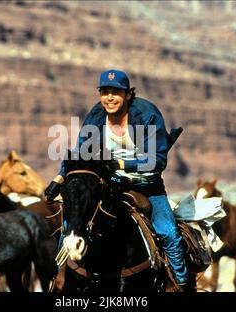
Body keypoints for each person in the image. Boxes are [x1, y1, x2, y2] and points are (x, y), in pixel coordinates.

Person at [45, 69, 188, 288]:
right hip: (110, 184)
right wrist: (59, 178)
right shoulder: (96, 115)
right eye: (105, 92)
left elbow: (158, 160)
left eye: (116, 92)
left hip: (147, 186)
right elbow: (80, 152)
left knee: (168, 232)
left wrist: (121, 164)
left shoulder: (147, 114)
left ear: (128, 94)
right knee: (71, 222)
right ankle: (59, 279)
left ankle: (180, 282)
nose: (109, 98)